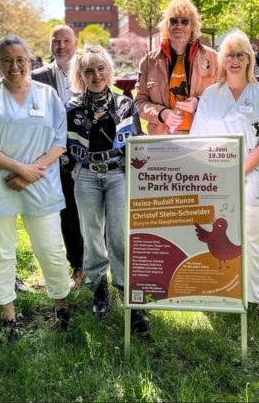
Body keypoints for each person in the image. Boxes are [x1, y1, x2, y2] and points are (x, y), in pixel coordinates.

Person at [0, 36, 71, 340]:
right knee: (1, 253)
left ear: (30, 61)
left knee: (51, 249)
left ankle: (61, 306)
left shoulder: (47, 95)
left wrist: (29, 173)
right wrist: (18, 168)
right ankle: (8, 319)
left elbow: (59, 142)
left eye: (20, 60)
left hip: (40, 181)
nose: (15, 67)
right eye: (7, 60)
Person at [191, 31, 259, 329]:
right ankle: (224, 294)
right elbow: (198, 140)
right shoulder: (210, 96)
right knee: (220, 245)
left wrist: (238, 171)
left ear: (250, 60)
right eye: (229, 54)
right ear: (222, 59)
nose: (234, 60)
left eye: (240, 55)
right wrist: (221, 174)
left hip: (254, 180)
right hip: (218, 183)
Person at [65, 46, 148, 334]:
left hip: (117, 175)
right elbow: (60, 144)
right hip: (87, 175)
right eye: (89, 71)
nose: (96, 75)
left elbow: (138, 141)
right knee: (91, 234)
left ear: (109, 70)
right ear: (81, 75)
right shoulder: (72, 107)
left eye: (101, 69)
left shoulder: (125, 104)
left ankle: (129, 294)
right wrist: (73, 168)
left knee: (119, 235)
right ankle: (99, 289)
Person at [32, 25, 85, 287]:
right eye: (56, 41)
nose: (62, 46)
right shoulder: (37, 77)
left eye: (66, 41)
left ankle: (98, 263)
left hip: (87, 154)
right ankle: (77, 265)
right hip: (54, 155)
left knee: (94, 212)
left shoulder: (88, 69)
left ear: (76, 43)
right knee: (67, 213)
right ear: (50, 44)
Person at [135, 0, 218, 135]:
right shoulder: (149, 62)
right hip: (162, 141)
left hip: (201, 136)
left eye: (184, 21)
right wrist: (161, 113)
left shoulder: (213, 58)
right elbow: (139, 103)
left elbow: (223, 97)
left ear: (193, 26)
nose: (178, 26)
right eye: (173, 21)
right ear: (166, 26)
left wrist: (199, 102)